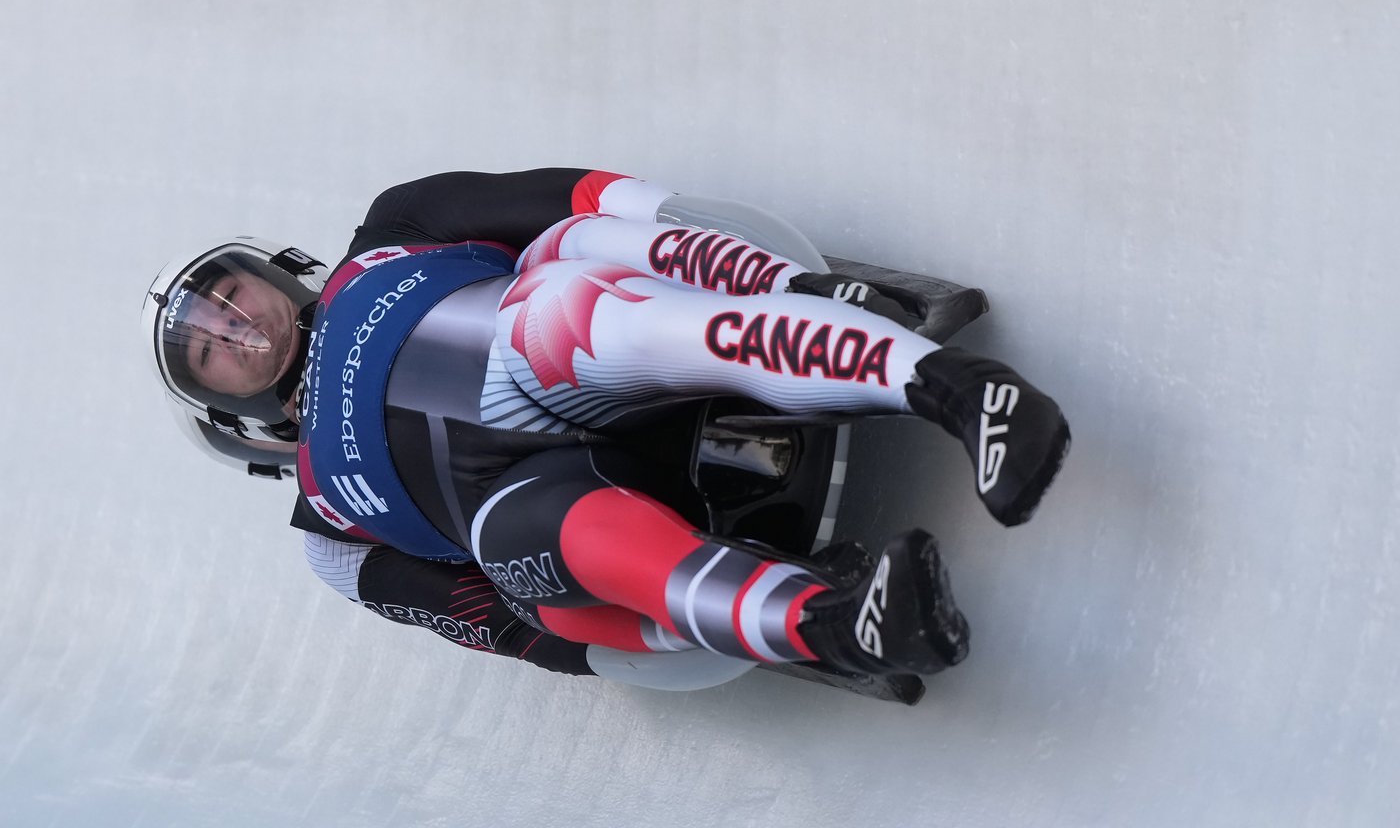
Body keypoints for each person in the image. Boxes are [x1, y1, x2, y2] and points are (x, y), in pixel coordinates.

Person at [142, 168, 1070, 690]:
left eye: (228, 298)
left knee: (568, 294)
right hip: (543, 516)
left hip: (570, 354)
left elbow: (574, 200)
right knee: (530, 546)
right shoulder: (326, 538)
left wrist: (723, 251)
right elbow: (489, 622)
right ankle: (836, 625)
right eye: (211, 349)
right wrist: (614, 646)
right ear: (230, 411)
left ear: (272, 270)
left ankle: (954, 391)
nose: (236, 327)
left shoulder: (394, 225)